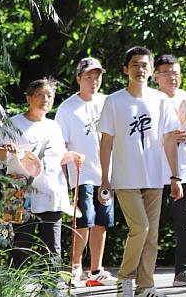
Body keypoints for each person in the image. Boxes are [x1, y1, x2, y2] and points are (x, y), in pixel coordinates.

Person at [98, 46, 183, 297]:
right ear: (126, 69)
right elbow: (106, 142)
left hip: (155, 177)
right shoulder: (114, 101)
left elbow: (169, 141)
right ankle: (124, 280)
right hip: (125, 178)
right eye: (135, 64)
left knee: (152, 235)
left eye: (145, 65)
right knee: (141, 229)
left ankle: (145, 286)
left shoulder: (160, 100)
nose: (140, 69)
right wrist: (105, 177)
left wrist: (175, 176)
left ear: (151, 70)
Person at [0, 78, 84, 274]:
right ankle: (14, 287)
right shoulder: (13, 124)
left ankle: (52, 289)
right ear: (29, 98)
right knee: (21, 244)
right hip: (21, 195)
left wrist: (72, 157)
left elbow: (58, 158)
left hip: (51, 194)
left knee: (52, 248)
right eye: (40, 95)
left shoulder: (54, 126)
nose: (46, 99)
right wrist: (6, 150)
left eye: (50, 96)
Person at [54, 57, 114, 284]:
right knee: (84, 219)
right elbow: (61, 146)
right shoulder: (68, 107)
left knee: (102, 221)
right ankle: (76, 267)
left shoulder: (108, 102)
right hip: (82, 174)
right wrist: (64, 178)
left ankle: (96, 270)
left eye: (97, 76)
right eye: (88, 76)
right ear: (78, 78)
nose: (93, 81)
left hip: (107, 174)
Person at [153, 54, 186, 287]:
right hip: (153, 172)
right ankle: (143, 273)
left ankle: (183, 272)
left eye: (175, 72)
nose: (171, 77)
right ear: (156, 77)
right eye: (165, 72)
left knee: (185, 223)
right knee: (148, 225)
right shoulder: (150, 100)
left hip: (184, 172)